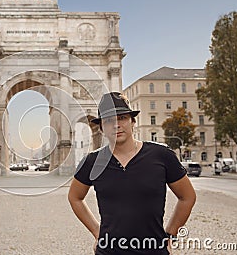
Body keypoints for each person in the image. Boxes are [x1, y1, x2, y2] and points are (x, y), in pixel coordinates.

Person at [68, 92, 196, 254]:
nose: (116, 125)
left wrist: (171, 233)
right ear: (100, 127)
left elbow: (188, 196)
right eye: (108, 121)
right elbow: (74, 197)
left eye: (122, 118)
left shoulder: (162, 155)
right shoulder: (92, 162)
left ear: (133, 121)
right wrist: (96, 232)